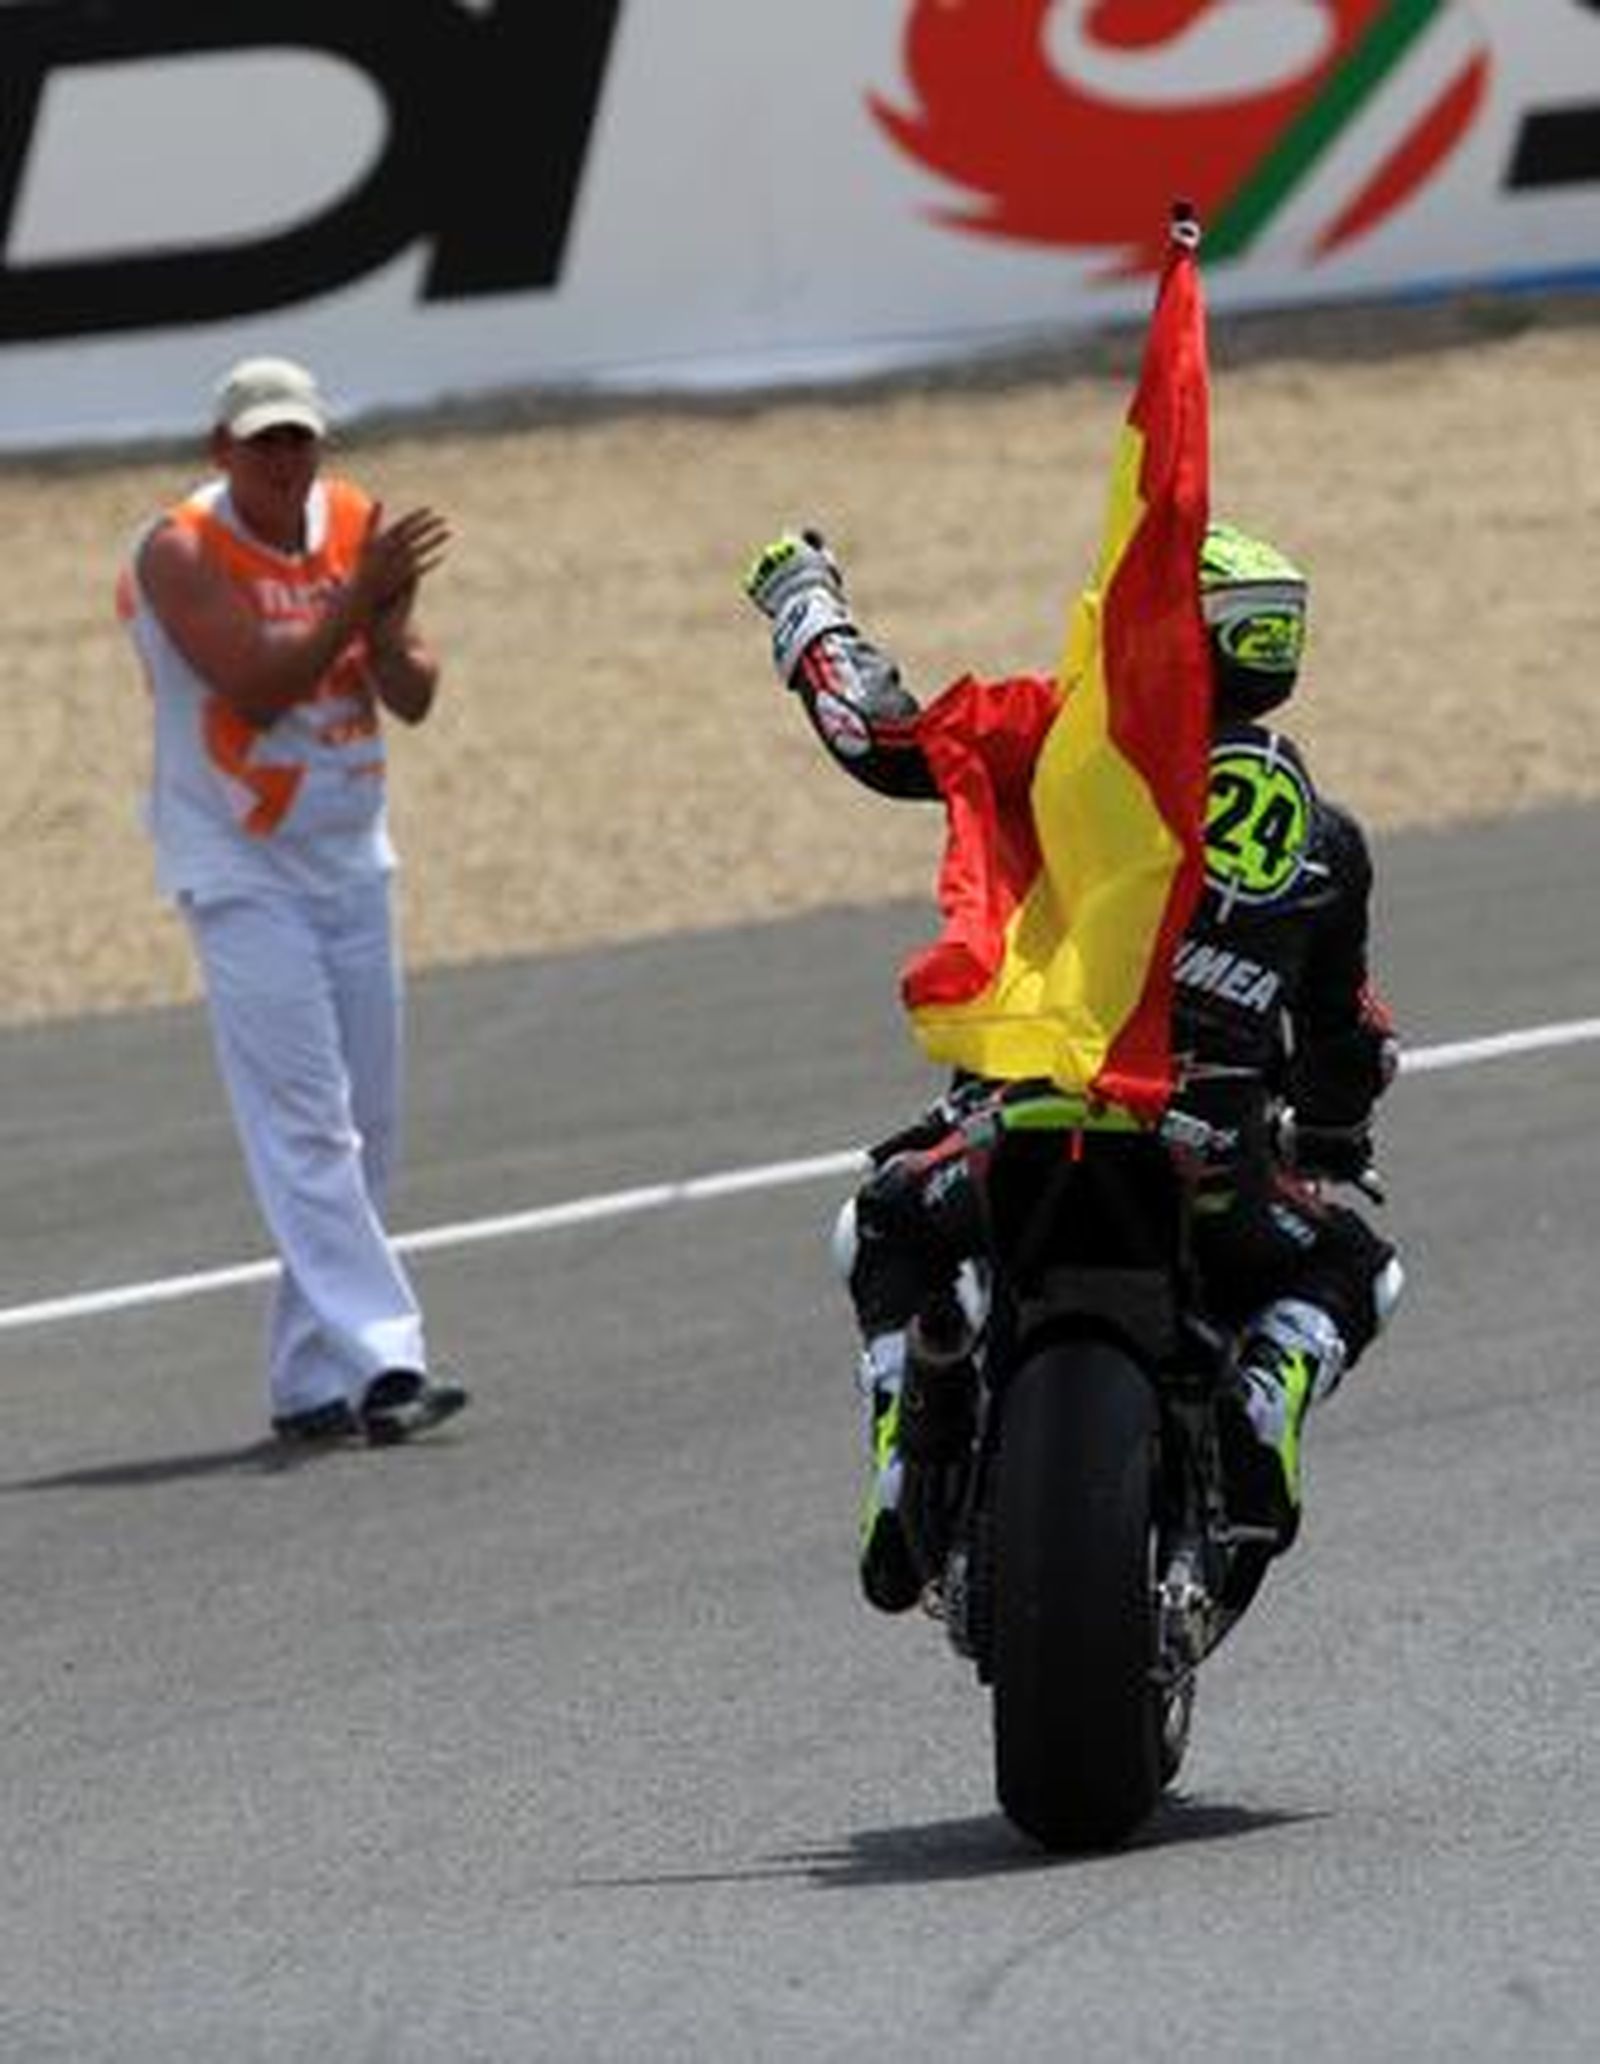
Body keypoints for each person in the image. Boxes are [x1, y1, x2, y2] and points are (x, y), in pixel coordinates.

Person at [745, 523, 1404, 1609]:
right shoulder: (1326, 839)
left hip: (1029, 1117)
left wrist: (802, 601)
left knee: (880, 1224)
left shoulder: (1067, 746)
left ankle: (909, 1435)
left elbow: (872, 725)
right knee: (1353, 1268)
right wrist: (1332, 1129)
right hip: (1216, 1159)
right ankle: (1265, 1390)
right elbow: (1346, 1035)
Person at [117, 354, 468, 1446]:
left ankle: (304, 1378)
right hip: (238, 869)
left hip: (352, 858)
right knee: (309, 1127)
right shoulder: (177, 549)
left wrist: (386, 619)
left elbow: (410, 694)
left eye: (298, 438)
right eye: (261, 440)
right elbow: (256, 686)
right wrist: (354, 602)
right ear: (222, 449)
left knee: (368, 1127)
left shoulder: (353, 526)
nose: (283, 460)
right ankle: (386, 1360)